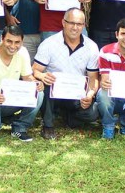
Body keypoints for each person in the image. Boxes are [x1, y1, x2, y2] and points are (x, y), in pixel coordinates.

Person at [32, 8, 100, 139]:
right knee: (44, 85)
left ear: (84, 25)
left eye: (79, 24)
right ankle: (48, 125)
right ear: (63, 23)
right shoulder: (49, 44)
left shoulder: (91, 46)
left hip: (76, 95)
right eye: (71, 23)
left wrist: (90, 95)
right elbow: (34, 70)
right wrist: (42, 76)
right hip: (53, 94)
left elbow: (93, 78)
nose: (75, 27)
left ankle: (65, 117)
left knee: (93, 113)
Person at [0, 25, 44, 140]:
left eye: (17, 42)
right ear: (2, 38)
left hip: (10, 99)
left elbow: (27, 77)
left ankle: (20, 127)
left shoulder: (23, 52)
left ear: (22, 42)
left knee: (38, 93)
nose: (13, 46)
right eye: (9, 41)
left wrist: (36, 83)